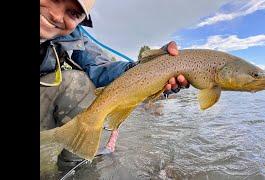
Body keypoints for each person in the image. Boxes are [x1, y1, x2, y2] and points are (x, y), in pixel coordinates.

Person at [40, 0, 189, 171]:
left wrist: (151, 68)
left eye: (73, 13)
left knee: (79, 84)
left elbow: (101, 69)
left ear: (81, 20)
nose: (57, 16)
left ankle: (74, 168)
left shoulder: (76, 38)